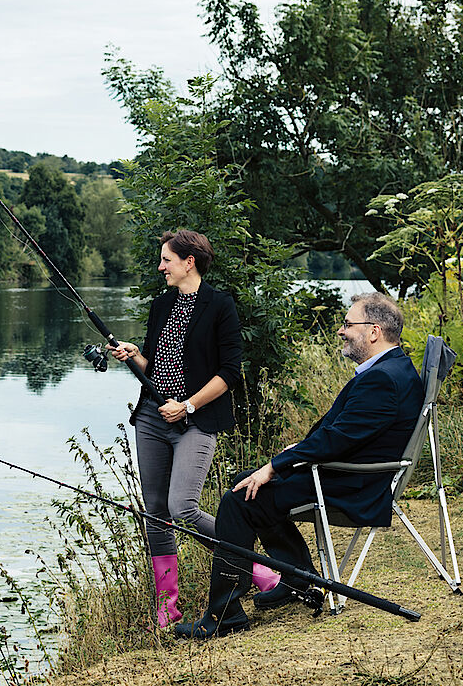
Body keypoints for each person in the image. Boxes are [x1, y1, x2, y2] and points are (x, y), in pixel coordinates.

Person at [174, 292, 424, 640]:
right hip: (348, 470)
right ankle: (297, 579)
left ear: (374, 331)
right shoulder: (394, 367)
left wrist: (277, 465)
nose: (341, 330)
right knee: (244, 480)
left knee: (239, 497)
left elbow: (337, 440)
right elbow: (347, 432)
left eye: (348, 324)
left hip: (353, 484)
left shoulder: (382, 378)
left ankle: (225, 613)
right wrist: (300, 451)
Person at [108, 229, 269, 629]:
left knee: (183, 507)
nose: (161, 266)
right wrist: (135, 356)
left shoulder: (220, 306)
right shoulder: (162, 305)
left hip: (196, 420)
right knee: (157, 514)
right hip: (151, 418)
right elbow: (156, 367)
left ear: (189, 261)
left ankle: (260, 570)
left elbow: (230, 372)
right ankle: (167, 606)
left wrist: (189, 405)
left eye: (166, 259)